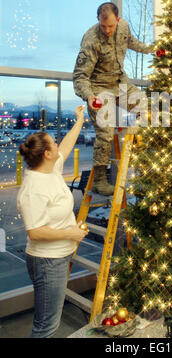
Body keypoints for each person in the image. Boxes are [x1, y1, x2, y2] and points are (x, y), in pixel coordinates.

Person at [17, 105, 88, 338]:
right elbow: (35, 232)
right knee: (46, 327)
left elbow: (66, 146)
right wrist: (71, 234)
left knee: (49, 322)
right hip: (47, 262)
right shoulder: (34, 187)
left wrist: (79, 120)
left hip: (59, 255)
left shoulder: (51, 170)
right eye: (53, 143)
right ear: (47, 153)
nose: (58, 145)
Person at [73, 2, 153, 196]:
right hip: (99, 88)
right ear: (98, 20)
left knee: (145, 107)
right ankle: (100, 179)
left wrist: (150, 49)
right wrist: (89, 95)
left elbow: (131, 41)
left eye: (110, 26)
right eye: (103, 26)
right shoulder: (91, 41)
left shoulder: (123, 26)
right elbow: (80, 76)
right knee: (105, 131)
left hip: (120, 83)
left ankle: (141, 156)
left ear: (117, 19)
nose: (107, 30)